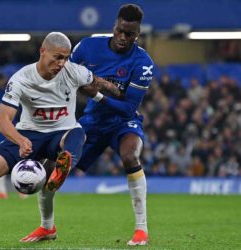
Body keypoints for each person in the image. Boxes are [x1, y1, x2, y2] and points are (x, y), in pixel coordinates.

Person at [0, 32, 118, 246]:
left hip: (61, 134)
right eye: (57, 57)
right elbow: (3, 121)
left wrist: (116, 91)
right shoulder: (21, 79)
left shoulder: (74, 72)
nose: (61, 63)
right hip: (29, 134)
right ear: (42, 51)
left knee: (78, 132)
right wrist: (19, 139)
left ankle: (63, 167)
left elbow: (96, 81)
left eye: (65, 57)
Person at [22, 4, 153, 246]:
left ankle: (141, 230)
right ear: (115, 25)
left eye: (130, 34)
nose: (123, 38)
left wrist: (97, 93)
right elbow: (63, 73)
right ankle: (47, 227)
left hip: (123, 122)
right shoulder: (88, 47)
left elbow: (127, 108)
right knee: (52, 163)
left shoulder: (143, 62)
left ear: (138, 34)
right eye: (121, 31)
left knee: (130, 157)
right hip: (91, 122)